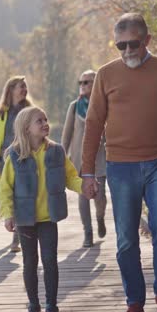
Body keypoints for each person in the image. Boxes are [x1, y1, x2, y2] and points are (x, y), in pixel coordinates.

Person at [80, 13, 157, 312]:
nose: (127, 51)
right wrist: (87, 172)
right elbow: (92, 124)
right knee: (127, 239)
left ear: (147, 40)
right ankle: (135, 303)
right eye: (120, 45)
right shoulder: (105, 74)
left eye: (132, 43)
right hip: (121, 167)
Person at [0, 106, 83, 312]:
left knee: (50, 262)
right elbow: (5, 189)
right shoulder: (15, 156)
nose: (45, 123)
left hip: (48, 218)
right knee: (29, 263)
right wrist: (8, 214)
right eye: (39, 121)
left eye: (46, 119)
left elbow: (71, 176)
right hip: (25, 220)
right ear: (27, 128)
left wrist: (85, 187)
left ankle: (52, 308)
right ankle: (33, 307)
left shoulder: (56, 151)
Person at [61, 69, 108, 248]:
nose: (83, 85)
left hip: (100, 158)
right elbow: (67, 133)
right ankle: (87, 233)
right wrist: (61, 154)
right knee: (83, 197)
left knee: (100, 196)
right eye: (81, 82)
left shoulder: (104, 104)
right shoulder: (74, 106)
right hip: (79, 160)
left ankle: (100, 217)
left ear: (95, 84)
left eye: (87, 82)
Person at [0, 75, 32, 252]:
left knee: (20, 198)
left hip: (23, 158)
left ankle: (17, 238)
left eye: (25, 86)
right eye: (20, 86)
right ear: (11, 90)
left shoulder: (30, 110)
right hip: (4, 160)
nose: (24, 89)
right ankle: (13, 228)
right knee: (9, 196)